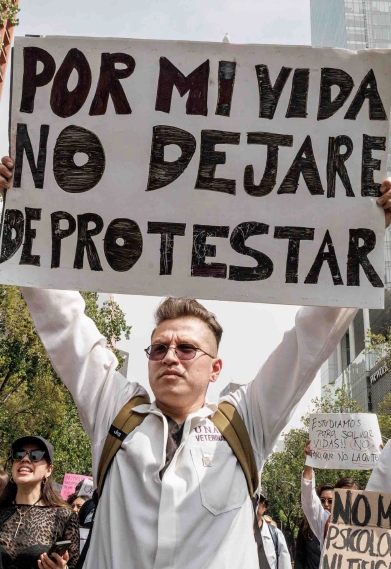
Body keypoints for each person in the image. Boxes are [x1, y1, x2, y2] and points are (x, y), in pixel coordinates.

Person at [1, 155, 391, 569]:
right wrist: (23, 211)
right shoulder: (114, 410)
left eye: (186, 349)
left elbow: (310, 339)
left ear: (215, 368)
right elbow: (63, 322)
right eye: (159, 348)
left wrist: (366, 232)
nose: (170, 356)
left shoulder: (246, 421)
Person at [0, 436, 79, 569]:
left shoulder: (64, 516)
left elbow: (75, 565)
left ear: (49, 470)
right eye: (18, 454)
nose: (25, 459)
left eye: (35, 455)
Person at [301, 441, 362, 546]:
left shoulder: (371, 524)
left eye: (352, 497)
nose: (347, 502)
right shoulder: (324, 521)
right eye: (342, 497)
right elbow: (308, 496)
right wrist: (309, 462)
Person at [294, 484, 333, 569]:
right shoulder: (306, 525)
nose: (326, 504)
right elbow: (299, 556)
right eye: (322, 500)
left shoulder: (342, 527)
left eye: (330, 501)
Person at [256, 490, 291, 569]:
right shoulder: (237, 534)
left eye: (259, 501)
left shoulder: (276, 535)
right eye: (253, 499)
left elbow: (285, 565)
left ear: (265, 507)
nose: (255, 504)